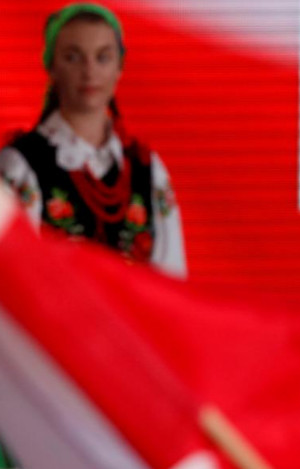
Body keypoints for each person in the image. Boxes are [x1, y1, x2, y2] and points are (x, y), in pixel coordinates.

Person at [0, 2, 186, 278]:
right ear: (51, 66)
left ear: (120, 67)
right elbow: (13, 278)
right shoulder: (20, 165)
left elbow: (171, 281)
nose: (89, 71)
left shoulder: (147, 169)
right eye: (73, 57)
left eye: (103, 57)